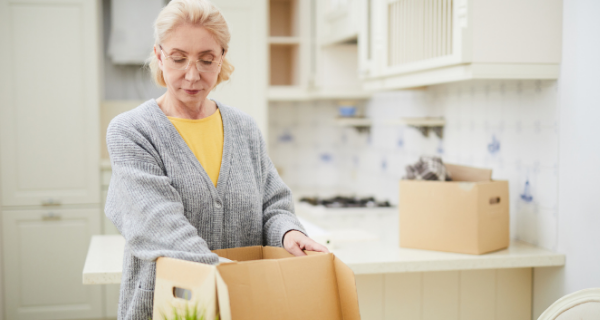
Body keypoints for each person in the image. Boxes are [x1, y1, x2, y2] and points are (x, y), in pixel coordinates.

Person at [104, 0, 328, 319]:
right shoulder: (132, 131)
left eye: (206, 60)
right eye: (179, 59)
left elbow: (274, 204)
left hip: (243, 304)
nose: (192, 75)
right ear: (159, 55)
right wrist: (231, 277)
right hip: (171, 306)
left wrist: (290, 233)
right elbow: (157, 224)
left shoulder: (244, 128)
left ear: (221, 58)